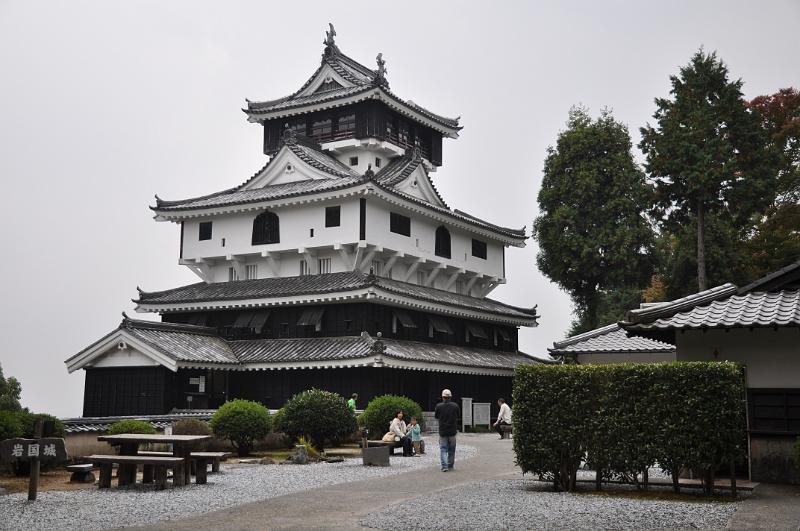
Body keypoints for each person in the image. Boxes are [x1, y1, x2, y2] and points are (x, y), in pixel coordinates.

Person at [434, 389, 460, 471]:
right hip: (452, 431)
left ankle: (444, 466)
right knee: (452, 450)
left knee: (443, 449)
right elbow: (458, 415)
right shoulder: (455, 406)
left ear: (443, 397)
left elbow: (436, 416)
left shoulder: (438, 406)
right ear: (450, 397)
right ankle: (450, 465)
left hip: (442, 431)